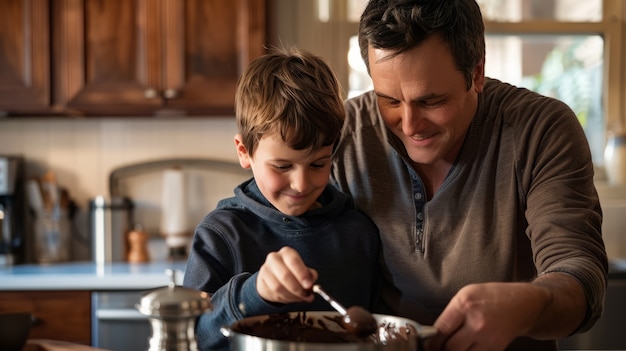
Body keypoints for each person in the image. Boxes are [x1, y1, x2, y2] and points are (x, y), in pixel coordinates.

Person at [330, 0, 608, 350]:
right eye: (389, 100)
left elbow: (580, 275)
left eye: (430, 101)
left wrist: (527, 306)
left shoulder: (541, 130)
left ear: (476, 74)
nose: (410, 125)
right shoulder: (342, 133)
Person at [183, 47, 380, 351]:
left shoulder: (358, 233)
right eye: (282, 166)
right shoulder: (221, 235)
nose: (301, 184)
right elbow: (191, 337)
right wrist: (253, 293)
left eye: (318, 164)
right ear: (244, 151)